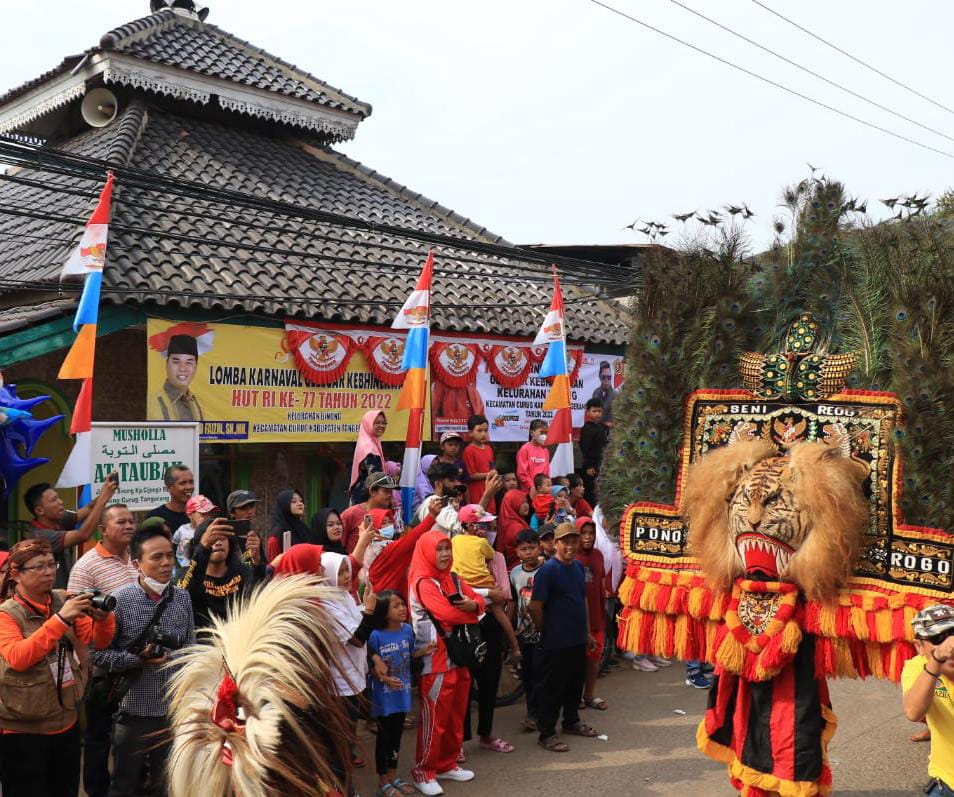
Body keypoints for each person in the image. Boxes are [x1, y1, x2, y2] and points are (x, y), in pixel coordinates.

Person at [0, 540, 116, 797]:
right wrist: (61, 619)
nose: (49, 572)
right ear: (16, 574)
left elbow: (98, 640)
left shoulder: (62, 599)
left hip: (65, 721)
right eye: (38, 567)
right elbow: (18, 657)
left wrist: (104, 618)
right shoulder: (6, 614)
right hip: (22, 729)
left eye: (52, 564)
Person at [93, 525, 195, 797]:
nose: (165, 563)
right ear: (137, 563)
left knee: (168, 784)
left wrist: (171, 658)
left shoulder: (182, 597)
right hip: (132, 712)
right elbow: (99, 654)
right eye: (156, 557)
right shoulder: (120, 600)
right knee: (124, 784)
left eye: (169, 556)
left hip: (172, 711)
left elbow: (191, 648)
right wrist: (137, 660)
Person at [67, 504, 139, 797]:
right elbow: (75, 615)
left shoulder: (137, 560)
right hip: (101, 664)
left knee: (128, 734)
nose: (129, 526)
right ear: (103, 529)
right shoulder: (87, 565)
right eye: (121, 521)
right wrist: (86, 659)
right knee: (98, 736)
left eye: (132, 521)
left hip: (134, 661)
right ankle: (97, 791)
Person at [409, 531, 484, 795]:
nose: (445, 555)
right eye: (439, 549)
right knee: (435, 717)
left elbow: (479, 599)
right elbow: (445, 612)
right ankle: (423, 770)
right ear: (428, 552)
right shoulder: (423, 581)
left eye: (447, 549)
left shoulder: (452, 578)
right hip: (434, 658)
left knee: (456, 713)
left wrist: (473, 606)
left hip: (458, 655)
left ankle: (447, 763)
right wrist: (472, 612)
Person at [452, 505, 519, 756]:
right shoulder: (455, 548)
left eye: (490, 525)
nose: (488, 530)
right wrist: (485, 595)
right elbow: (454, 586)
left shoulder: (498, 558)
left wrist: (480, 596)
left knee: (489, 680)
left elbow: (502, 596)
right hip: (465, 621)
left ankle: (487, 734)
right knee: (464, 685)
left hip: (489, 623)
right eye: (484, 525)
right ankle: (458, 742)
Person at [529, 522, 599, 753]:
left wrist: (587, 631)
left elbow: (583, 600)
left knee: (573, 684)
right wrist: (543, 630)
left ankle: (571, 721)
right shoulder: (548, 570)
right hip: (555, 641)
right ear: (556, 544)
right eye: (565, 541)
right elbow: (535, 606)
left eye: (573, 541)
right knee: (553, 688)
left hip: (577, 638)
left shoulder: (578, 568)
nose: (570, 546)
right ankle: (546, 733)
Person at [368, 591, 435, 797]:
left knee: (396, 737)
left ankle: (394, 776)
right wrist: (385, 679)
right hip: (383, 698)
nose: (402, 608)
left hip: (402, 695)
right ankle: (383, 781)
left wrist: (422, 652)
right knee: (384, 737)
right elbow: (370, 665)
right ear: (384, 612)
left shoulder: (407, 630)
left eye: (402, 604)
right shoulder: (375, 635)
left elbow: (410, 652)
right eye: (395, 606)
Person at [24, 476, 118, 588]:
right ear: (40, 510)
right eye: (54, 500)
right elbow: (83, 535)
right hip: (53, 595)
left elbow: (88, 508)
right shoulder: (40, 537)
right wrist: (103, 498)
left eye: (58, 498)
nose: (60, 502)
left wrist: (106, 489)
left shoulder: (58, 519)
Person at [902, 604, 954, 797]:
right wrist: (937, 660)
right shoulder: (918, 668)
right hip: (946, 782)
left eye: (953, 633)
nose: (949, 643)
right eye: (937, 638)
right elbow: (913, 712)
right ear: (919, 647)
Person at [177, 517, 264, 629]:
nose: (218, 543)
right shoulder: (190, 575)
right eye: (213, 539)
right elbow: (183, 596)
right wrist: (203, 547)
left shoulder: (242, 572)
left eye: (223, 538)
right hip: (203, 643)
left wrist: (257, 562)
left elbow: (260, 595)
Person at [509, 528, 543, 732]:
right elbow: (513, 601)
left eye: (532, 548)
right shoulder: (515, 573)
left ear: (539, 548)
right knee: (528, 675)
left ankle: (543, 713)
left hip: (544, 632)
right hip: (523, 633)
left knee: (543, 674)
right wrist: (511, 628)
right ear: (517, 551)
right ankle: (532, 713)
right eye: (524, 549)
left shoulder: (547, 569)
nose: (528, 552)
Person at [575, 517, 608, 711]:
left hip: (596, 614)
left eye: (591, 533)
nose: (587, 537)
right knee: (577, 660)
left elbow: (601, 580)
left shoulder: (598, 555)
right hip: (578, 617)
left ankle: (589, 695)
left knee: (594, 658)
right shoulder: (572, 558)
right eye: (583, 533)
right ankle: (575, 696)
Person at [150, 333, 204, 422]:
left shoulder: (197, 403)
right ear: (167, 364)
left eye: (189, 362)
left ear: (196, 366)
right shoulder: (153, 403)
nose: (182, 368)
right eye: (176, 362)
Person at [341, 472, 399, 554]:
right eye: (386, 491)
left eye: (391, 491)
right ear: (372, 491)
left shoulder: (391, 514)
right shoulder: (351, 514)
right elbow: (339, 544)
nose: (390, 495)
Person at [171, 494, 216, 580]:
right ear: (190, 514)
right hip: (183, 569)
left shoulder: (212, 531)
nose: (207, 517)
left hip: (204, 570)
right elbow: (173, 546)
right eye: (203, 514)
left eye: (209, 513)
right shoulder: (182, 530)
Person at [350, 411, 388, 504]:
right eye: (377, 423)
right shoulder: (369, 447)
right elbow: (376, 478)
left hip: (364, 496)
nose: (381, 426)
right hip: (366, 500)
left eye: (384, 423)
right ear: (368, 424)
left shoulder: (370, 443)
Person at [145, 464, 195, 534]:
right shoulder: (155, 518)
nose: (189, 487)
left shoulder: (200, 515)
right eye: (183, 483)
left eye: (191, 482)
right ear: (169, 488)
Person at [266, 488, 313, 560]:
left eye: (301, 501)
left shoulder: (303, 528)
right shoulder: (276, 536)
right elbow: (273, 567)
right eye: (294, 501)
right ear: (284, 505)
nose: (300, 503)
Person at [579, 398, 609, 506]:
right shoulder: (586, 429)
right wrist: (588, 466)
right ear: (588, 412)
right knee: (592, 491)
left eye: (599, 411)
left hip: (602, 463)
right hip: (591, 466)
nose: (597, 414)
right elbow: (584, 447)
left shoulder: (603, 427)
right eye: (594, 411)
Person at [462, 415, 496, 510]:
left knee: (491, 519)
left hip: (489, 489)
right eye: (479, 431)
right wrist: (490, 474)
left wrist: (494, 473)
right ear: (470, 433)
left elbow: (491, 466)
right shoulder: (469, 450)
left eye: (486, 430)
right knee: (479, 517)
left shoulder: (489, 448)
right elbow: (472, 475)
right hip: (476, 492)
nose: (483, 434)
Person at [496, 487, 530, 569]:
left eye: (526, 502)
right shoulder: (516, 527)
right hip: (521, 568)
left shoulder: (508, 522)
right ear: (512, 503)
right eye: (521, 502)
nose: (526, 505)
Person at [516, 419, 550, 492]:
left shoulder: (545, 450)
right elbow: (521, 473)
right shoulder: (525, 449)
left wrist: (546, 486)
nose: (544, 435)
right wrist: (532, 487)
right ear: (532, 433)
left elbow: (547, 472)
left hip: (543, 491)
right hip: (529, 491)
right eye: (541, 432)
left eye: (546, 433)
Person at [590, 361, 616, 426]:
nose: (606, 380)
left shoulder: (616, 395)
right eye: (604, 377)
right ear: (600, 377)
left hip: (610, 433)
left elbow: (619, 418)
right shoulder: (596, 392)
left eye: (609, 377)